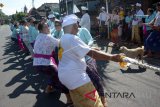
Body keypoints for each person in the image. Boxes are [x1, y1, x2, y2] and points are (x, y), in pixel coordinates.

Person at [58, 14, 123, 107]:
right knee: (95, 103)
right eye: (76, 24)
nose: (78, 27)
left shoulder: (62, 39)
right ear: (73, 26)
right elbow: (93, 54)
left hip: (66, 78)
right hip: (77, 78)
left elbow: (77, 51)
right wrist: (112, 57)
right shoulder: (72, 38)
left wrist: (88, 48)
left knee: (80, 103)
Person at [33, 23, 73, 106]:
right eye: (45, 27)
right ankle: (69, 99)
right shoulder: (48, 36)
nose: (48, 28)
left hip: (37, 64)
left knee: (52, 75)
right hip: (46, 63)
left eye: (48, 26)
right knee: (60, 78)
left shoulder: (38, 36)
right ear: (41, 30)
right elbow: (60, 44)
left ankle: (48, 88)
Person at [77, 27, 107, 107]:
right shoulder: (68, 35)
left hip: (88, 58)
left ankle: (103, 98)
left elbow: (90, 40)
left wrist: (87, 47)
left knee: (95, 78)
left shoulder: (83, 30)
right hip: (77, 61)